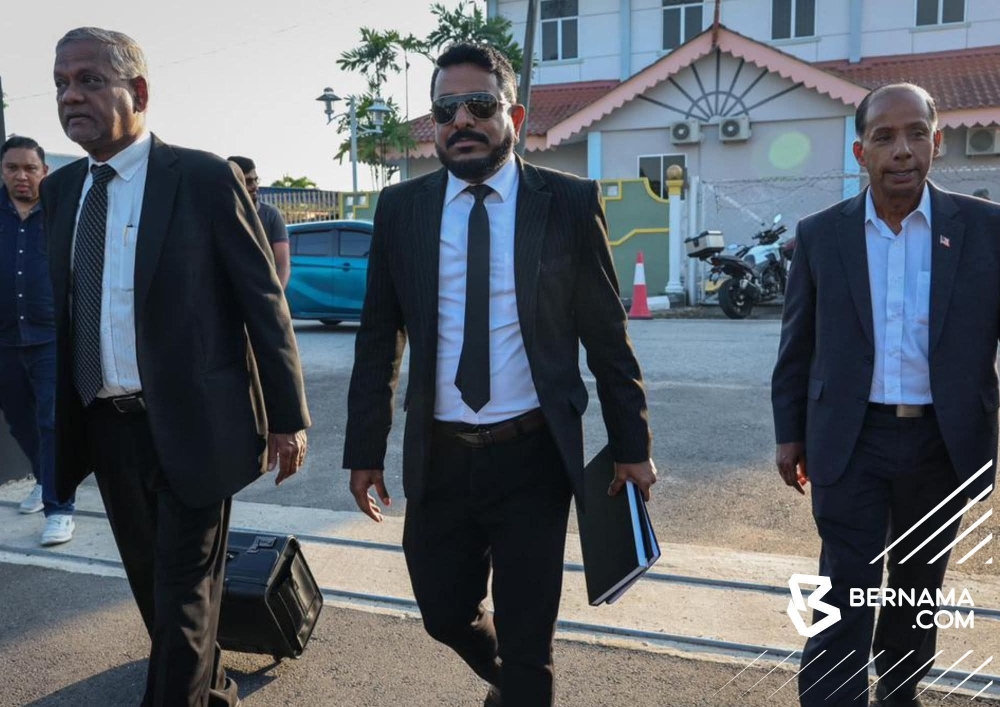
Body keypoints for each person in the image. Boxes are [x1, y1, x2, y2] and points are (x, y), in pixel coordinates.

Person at [343, 42, 656, 707]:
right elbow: (378, 338)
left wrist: (633, 446)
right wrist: (364, 450)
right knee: (442, 612)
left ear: (513, 115)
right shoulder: (402, 210)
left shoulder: (567, 202)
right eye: (445, 110)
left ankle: (521, 684)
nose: (461, 121)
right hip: (440, 458)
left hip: (533, 458)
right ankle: (512, 683)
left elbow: (607, 337)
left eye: (479, 105)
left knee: (529, 644)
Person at [44, 27, 310, 707]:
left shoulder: (202, 178)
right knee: (153, 592)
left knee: (185, 596)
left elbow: (263, 304)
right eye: (61, 83)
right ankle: (210, 688)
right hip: (105, 424)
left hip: (196, 424)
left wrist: (287, 418)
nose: (71, 96)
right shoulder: (62, 190)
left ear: (137, 91)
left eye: (89, 80)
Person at [772, 82, 999, 707]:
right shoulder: (822, 235)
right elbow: (797, 345)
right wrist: (789, 435)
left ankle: (900, 693)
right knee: (844, 586)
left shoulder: (985, 229)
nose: (902, 150)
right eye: (885, 137)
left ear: (937, 142)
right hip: (851, 439)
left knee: (916, 589)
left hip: (942, 442)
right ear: (861, 152)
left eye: (916, 134)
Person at [1, 136, 76, 545]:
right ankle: (44, 477)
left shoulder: (62, 212)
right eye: (13, 168)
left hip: (50, 336)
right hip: (4, 339)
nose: (22, 176)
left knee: (51, 421)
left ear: (44, 171)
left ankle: (60, 508)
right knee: (20, 422)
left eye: (30, 168)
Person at [227, 155, 291, 288]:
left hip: (263, 292)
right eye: (248, 181)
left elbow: (283, 265)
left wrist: (276, 296)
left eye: (256, 180)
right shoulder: (221, 215)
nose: (255, 186)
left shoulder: (271, 215)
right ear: (234, 183)